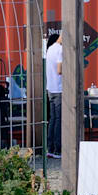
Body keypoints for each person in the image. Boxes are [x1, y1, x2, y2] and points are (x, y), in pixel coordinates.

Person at [43, 28, 64, 159]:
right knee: (59, 120)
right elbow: (60, 70)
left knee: (52, 119)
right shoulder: (60, 50)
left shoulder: (50, 49)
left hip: (50, 88)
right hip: (59, 89)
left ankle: (49, 148)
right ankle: (57, 150)